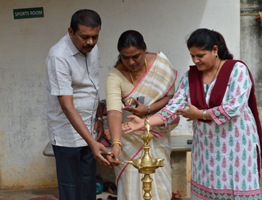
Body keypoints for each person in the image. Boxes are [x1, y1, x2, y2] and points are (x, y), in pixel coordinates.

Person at [122, 28, 262, 199]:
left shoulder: (236, 69)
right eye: (192, 56)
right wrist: (145, 122)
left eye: (200, 55)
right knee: (207, 190)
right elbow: (173, 107)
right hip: (206, 148)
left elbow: (235, 106)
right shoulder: (191, 76)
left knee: (235, 191)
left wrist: (200, 114)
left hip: (236, 145)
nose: (196, 60)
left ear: (215, 50)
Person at [45, 9, 111, 200]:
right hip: (67, 134)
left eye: (95, 36)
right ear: (70, 32)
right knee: (71, 187)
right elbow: (67, 106)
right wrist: (92, 143)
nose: (90, 41)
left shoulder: (92, 48)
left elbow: (93, 86)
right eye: (85, 37)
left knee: (88, 184)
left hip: (90, 128)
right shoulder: (58, 56)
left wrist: (98, 116)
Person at [106, 30, 179, 200]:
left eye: (136, 56)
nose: (131, 62)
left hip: (157, 135)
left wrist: (148, 109)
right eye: (125, 57)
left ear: (145, 49)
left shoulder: (160, 63)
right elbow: (115, 112)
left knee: (159, 186)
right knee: (131, 188)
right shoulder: (114, 76)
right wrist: (116, 144)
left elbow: (171, 98)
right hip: (129, 138)